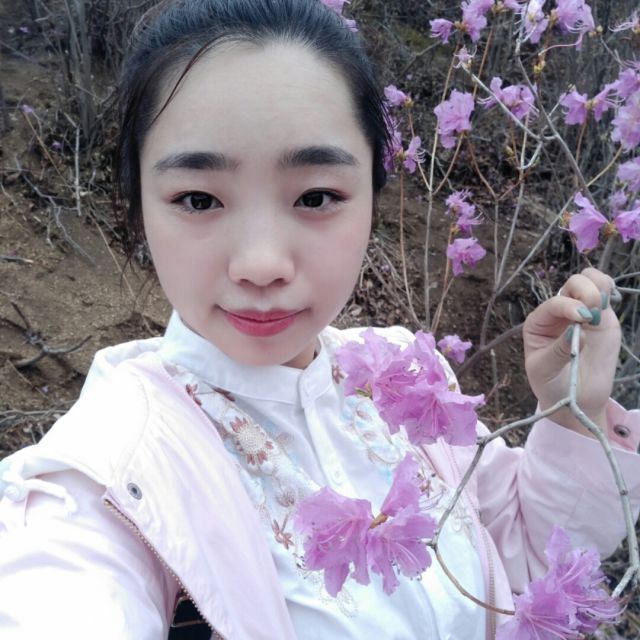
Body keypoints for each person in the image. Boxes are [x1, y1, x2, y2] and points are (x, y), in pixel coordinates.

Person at [0, 1, 638, 638]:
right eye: (197, 199)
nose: (261, 265)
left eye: (316, 196)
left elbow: (523, 557)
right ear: (139, 206)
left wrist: (572, 411)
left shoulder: (402, 374)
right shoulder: (108, 472)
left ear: (372, 199)